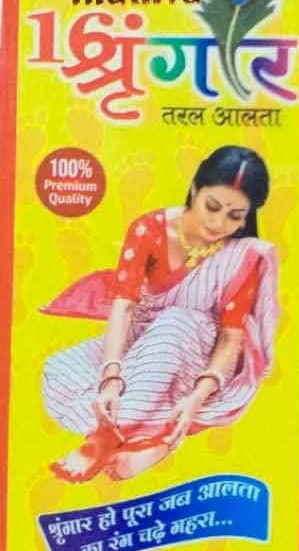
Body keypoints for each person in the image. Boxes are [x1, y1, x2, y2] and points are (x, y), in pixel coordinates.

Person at [43, 147, 279, 485]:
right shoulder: (150, 230)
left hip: (204, 354)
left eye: (234, 215)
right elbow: (124, 306)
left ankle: (108, 439)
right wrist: (111, 377)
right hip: (146, 334)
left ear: (246, 218)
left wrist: (196, 399)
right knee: (61, 369)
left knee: (175, 322)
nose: (218, 223)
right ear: (195, 189)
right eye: (212, 206)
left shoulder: (243, 256)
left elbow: (231, 337)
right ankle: (152, 439)